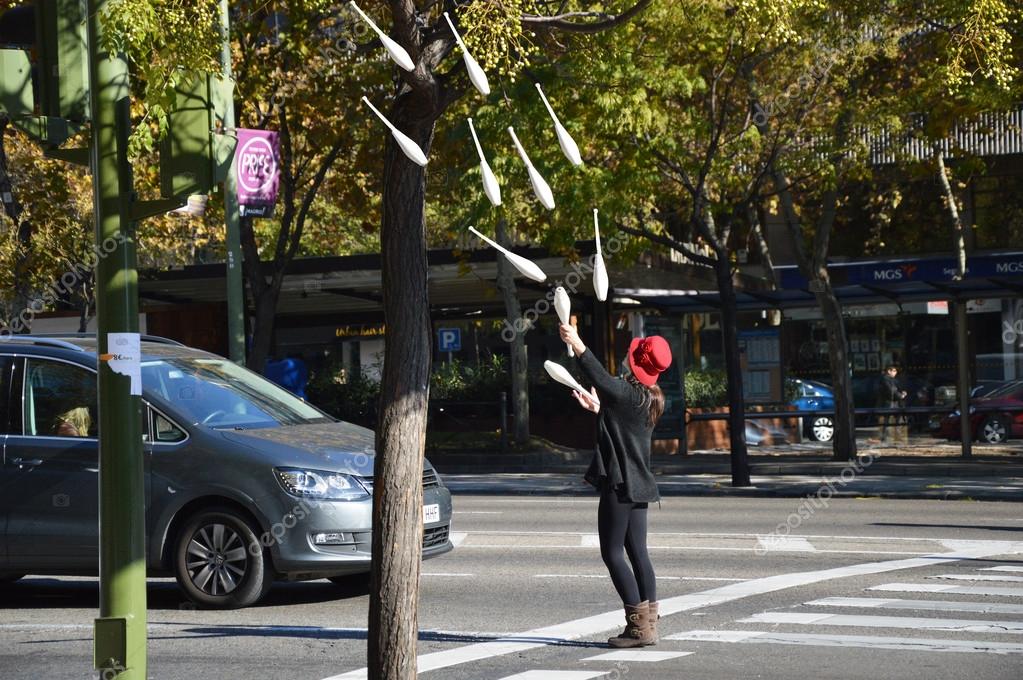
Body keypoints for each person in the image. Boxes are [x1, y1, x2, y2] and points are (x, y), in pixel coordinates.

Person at [559, 322, 670, 648]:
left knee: (612, 553)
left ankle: (638, 629)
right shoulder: (651, 398)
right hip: (641, 485)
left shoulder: (625, 392)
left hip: (620, 484)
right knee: (638, 554)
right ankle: (649, 626)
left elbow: (598, 375)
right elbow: (623, 425)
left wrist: (575, 340)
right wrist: (598, 410)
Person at [878, 364, 907, 443]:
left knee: (898, 420)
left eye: (896, 371)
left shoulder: (894, 380)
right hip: (889, 402)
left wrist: (903, 392)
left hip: (896, 402)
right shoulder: (885, 379)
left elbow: (899, 388)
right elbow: (891, 390)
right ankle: (885, 438)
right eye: (894, 371)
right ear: (889, 371)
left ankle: (896, 437)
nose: (896, 372)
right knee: (887, 420)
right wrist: (901, 395)